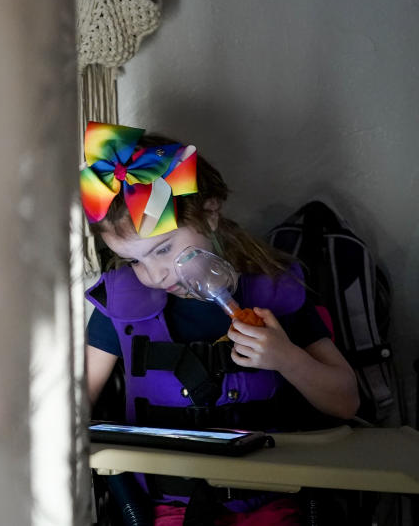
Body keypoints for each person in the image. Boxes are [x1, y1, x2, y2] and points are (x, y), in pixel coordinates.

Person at [80, 122, 359, 525]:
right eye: (135, 260)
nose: (155, 274)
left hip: (272, 499)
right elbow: (75, 409)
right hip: (167, 506)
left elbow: (346, 402)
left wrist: (287, 359)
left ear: (210, 214)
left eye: (163, 249)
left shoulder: (274, 289)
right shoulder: (120, 304)